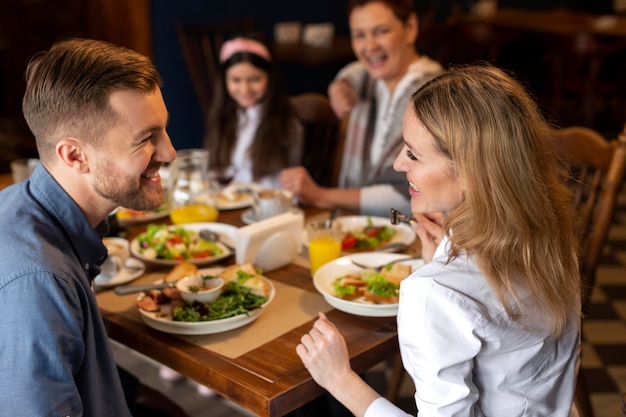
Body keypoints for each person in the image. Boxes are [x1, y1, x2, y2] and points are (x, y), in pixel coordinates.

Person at [296, 65, 582, 416]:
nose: (400, 163)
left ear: (471, 173)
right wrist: (442, 258)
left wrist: (339, 378)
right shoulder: (551, 234)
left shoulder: (432, 294)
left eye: (413, 154)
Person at [0, 38, 178, 416]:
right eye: (147, 138)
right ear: (75, 155)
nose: (169, 153)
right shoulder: (39, 283)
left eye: (163, 131)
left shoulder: (18, 200)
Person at [280, 0, 443, 217]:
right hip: (365, 227)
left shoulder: (429, 95)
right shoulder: (369, 80)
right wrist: (344, 81)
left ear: (410, 28)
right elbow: (359, 68)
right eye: (359, 35)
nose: (370, 46)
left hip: (413, 232)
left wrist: (320, 195)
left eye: (381, 31)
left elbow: (408, 194)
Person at [204, 35, 302, 189]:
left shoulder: (286, 124)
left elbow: (284, 185)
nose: (245, 89)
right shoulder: (224, 118)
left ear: (270, 78)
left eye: (255, 79)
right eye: (236, 80)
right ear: (224, 81)